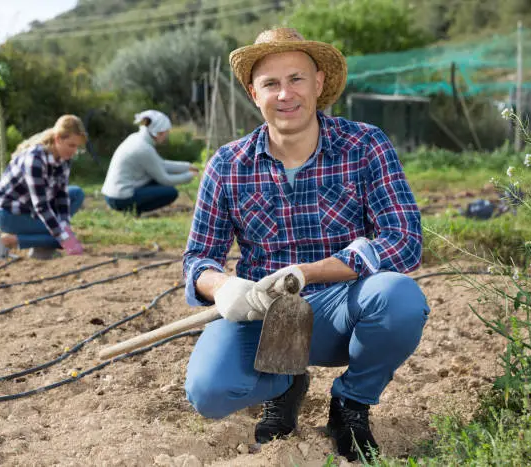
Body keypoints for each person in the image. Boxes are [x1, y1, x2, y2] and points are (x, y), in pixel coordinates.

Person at [182, 28, 430, 462]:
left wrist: (310, 272)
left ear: (318, 83)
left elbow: (404, 241)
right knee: (209, 391)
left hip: (341, 307)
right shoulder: (226, 165)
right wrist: (221, 287)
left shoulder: (365, 145)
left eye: (296, 79)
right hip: (266, 314)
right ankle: (285, 382)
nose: (285, 94)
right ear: (252, 93)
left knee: (399, 299)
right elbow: (198, 258)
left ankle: (351, 403)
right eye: (270, 84)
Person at [0, 114, 87, 261]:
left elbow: (61, 194)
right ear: (58, 139)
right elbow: (41, 205)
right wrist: (63, 236)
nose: (74, 151)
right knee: (58, 238)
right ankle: (8, 240)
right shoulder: (34, 159)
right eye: (71, 145)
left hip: (31, 208)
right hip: (9, 213)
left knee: (76, 194)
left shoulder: (64, 159)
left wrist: (65, 225)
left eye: (77, 147)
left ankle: (40, 246)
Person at [101, 110, 198, 216]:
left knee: (158, 183)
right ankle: (134, 211)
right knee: (171, 192)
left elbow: (160, 164)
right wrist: (190, 176)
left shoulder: (136, 138)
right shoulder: (144, 148)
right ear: (158, 132)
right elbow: (165, 179)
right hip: (120, 198)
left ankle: (133, 210)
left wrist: (187, 167)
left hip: (112, 195)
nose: (167, 135)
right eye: (166, 132)